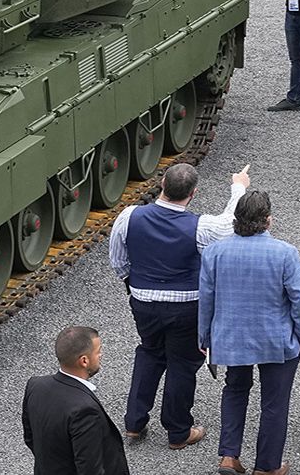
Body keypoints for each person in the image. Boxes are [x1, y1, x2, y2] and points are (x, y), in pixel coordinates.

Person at [107, 162, 248, 451]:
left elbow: (117, 259)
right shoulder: (199, 226)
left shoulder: (129, 215)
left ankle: (134, 422)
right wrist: (239, 187)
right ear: (193, 193)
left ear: (162, 185)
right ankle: (178, 430)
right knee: (182, 364)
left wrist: (132, 282)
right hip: (186, 306)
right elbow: (228, 224)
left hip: (143, 301)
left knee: (149, 352)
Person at [199, 189, 300, 475]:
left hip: (232, 338)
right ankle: (267, 466)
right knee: (275, 403)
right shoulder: (285, 253)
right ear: (268, 220)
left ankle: (229, 456)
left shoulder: (214, 253)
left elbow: (207, 299)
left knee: (234, 391)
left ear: (236, 219)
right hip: (276, 340)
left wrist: (205, 338)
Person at [22, 325, 129, 475]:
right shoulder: (85, 410)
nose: (101, 355)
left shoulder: (35, 385)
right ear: (84, 361)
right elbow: (90, 469)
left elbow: (30, 438)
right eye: (98, 351)